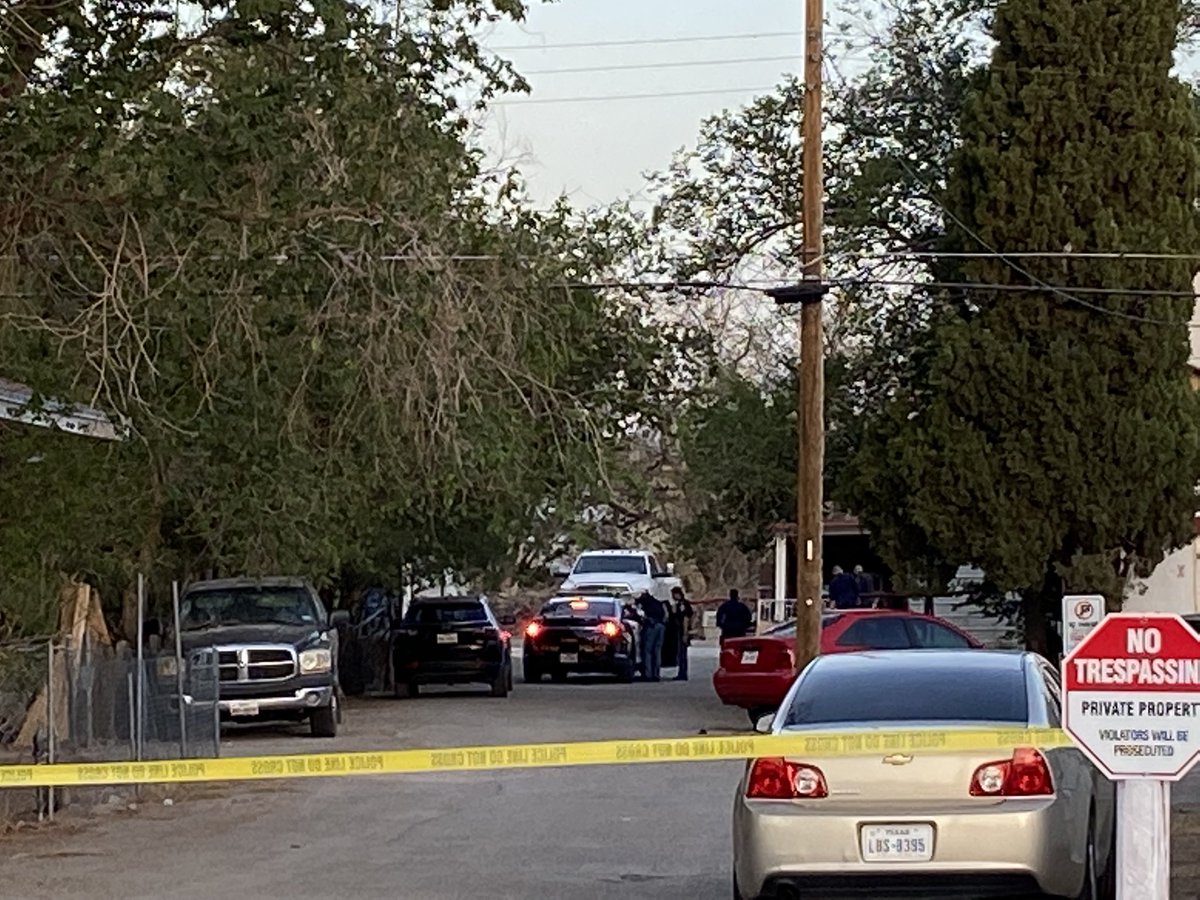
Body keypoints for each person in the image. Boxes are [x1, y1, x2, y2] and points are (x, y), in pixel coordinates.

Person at [636, 590, 667, 682]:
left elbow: (642, 615)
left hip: (651, 626)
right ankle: (656, 674)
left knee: (648, 651)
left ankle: (648, 674)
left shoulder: (645, 603)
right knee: (657, 651)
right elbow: (666, 616)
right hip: (661, 626)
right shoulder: (658, 603)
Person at [668, 586, 695, 682]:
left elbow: (685, 619)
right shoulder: (680, 604)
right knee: (681, 653)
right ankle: (681, 672)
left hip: (682, 631)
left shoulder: (683, 604)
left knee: (682, 653)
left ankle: (683, 673)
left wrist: (685, 633)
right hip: (681, 630)